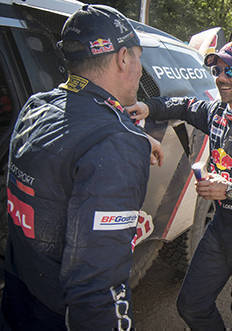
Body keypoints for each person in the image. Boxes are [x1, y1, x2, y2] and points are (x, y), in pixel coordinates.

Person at [126, 41, 232, 330]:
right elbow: (182, 105)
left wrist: (231, 189)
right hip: (220, 229)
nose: (221, 76)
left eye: (230, 70)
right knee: (190, 305)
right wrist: (148, 106)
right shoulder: (217, 112)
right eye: (217, 69)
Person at [1, 5, 153, 329]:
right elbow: (98, 288)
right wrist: (125, 140)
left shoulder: (37, 106)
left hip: (18, 300)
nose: (141, 68)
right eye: (139, 57)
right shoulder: (116, 143)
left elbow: (78, 120)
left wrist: (123, 129)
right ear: (123, 58)